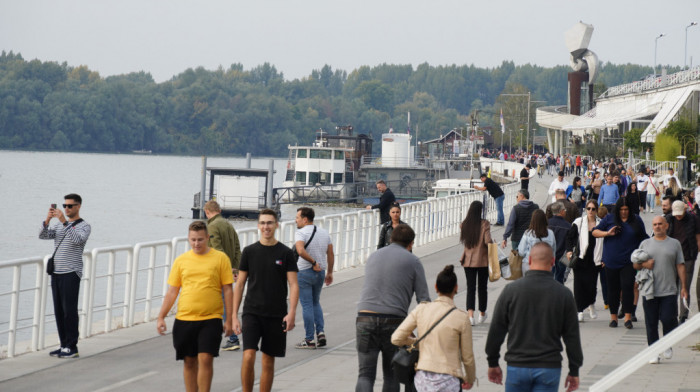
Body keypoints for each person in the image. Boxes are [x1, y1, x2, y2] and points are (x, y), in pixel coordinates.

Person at [486, 242, 582, 392]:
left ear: (529, 261)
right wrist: (574, 370)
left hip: (517, 366)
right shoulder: (563, 294)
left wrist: (493, 362)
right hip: (549, 367)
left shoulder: (511, 291)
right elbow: (572, 336)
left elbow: (496, 330)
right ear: (552, 261)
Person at [156, 221, 234, 392]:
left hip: (211, 318)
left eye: (200, 239)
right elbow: (172, 291)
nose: (196, 244)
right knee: (189, 361)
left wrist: (230, 319)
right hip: (185, 318)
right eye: (193, 240)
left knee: (206, 358)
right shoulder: (181, 261)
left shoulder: (220, 258)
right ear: (189, 239)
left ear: (207, 237)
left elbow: (228, 290)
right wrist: (161, 316)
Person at [355, 224, 431, 392]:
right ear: (411, 244)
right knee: (391, 374)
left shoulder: (373, 256)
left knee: (365, 374)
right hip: (394, 321)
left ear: (391, 239)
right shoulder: (413, 261)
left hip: (364, 318)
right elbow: (424, 301)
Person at [232, 209, 299, 392]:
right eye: (262, 223)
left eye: (269, 223)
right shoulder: (249, 251)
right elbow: (239, 285)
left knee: (268, 362)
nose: (266, 227)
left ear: (276, 225)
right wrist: (233, 316)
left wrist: (291, 312)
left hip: (276, 314)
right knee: (248, 356)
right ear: (258, 226)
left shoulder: (286, 253)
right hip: (252, 312)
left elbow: (293, 284)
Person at [391, 265, 476, 391]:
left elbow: (396, 338)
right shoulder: (461, 318)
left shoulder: (421, 309)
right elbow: (467, 357)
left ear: (436, 287)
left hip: (423, 382)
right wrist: (470, 379)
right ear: (456, 288)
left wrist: (417, 342)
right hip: (449, 381)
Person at [40, 193, 91, 359]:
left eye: (70, 206)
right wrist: (47, 221)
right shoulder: (59, 225)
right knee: (59, 311)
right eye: (64, 206)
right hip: (56, 273)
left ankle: (72, 346)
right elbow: (42, 235)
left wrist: (63, 221)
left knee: (70, 311)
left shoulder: (84, 226)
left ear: (78, 206)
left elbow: (77, 240)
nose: (66, 209)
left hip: (71, 273)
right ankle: (63, 345)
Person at [635, 216, 688, 364]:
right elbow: (635, 265)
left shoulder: (675, 244)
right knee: (651, 322)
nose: (657, 226)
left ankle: (667, 344)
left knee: (668, 319)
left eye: (660, 224)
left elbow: (681, 265)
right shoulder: (645, 244)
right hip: (649, 290)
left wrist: (684, 287)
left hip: (669, 290)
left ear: (666, 226)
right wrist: (644, 264)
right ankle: (653, 351)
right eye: (654, 224)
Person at [593, 196, 648, 329]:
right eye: (622, 209)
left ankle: (628, 317)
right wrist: (607, 233)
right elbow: (594, 232)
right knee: (613, 290)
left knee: (628, 287)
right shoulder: (609, 219)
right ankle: (613, 318)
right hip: (611, 260)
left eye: (626, 209)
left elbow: (644, 237)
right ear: (618, 209)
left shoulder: (636, 219)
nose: (624, 212)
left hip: (629, 261)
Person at [203, 200, 242, 352]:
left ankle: (231, 337)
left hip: (217, 272)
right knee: (224, 303)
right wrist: (236, 269)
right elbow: (238, 248)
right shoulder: (228, 224)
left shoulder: (212, 226)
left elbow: (217, 250)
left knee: (218, 304)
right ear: (219, 210)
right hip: (228, 270)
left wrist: (227, 269)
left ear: (207, 212)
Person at [294, 207, 334, 349]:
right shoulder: (324, 232)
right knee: (316, 302)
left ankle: (309, 339)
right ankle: (321, 333)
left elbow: (300, 250)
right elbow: (330, 253)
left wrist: (313, 262)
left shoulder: (300, 233)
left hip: (304, 271)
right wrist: (329, 272)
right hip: (320, 272)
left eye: (297, 217)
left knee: (307, 305)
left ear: (305, 219)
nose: (295, 220)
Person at [567, 200, 604, 322]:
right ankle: (579, 311)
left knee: (592, 286)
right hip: (580, 258)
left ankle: (591, 304)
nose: (591, 211)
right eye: (589, 208)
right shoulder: (579, 222)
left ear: (597, 210)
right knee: (578, 285)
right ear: (585, 209)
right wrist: (569, 251)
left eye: (593, 209)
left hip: (595, 259)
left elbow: (606, 242)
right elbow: (570, 237)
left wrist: (605, 258)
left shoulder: (601, 224)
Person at [665, 200, 700, 324]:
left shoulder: (693, 219)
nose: (678, 216)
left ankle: (683, 315)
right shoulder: (669, 219)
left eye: (680, 213)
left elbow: (698, 237)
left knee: (684, 286)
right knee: (671, 287)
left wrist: (696, 253)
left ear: (685, 210)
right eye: (676, 214)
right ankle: (671, 313)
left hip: (688, 257)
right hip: (671, 258)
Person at [459, 200, 492, 325]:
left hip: (468, 260)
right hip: (482, 260)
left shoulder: (464, 225)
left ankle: (470, 316)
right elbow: (487, 241)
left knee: (470, 288)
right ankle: (482, 313)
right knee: (482, 287)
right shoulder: (485, 224)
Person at [518, 209, 556, 275]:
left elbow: (521, 252)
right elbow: (553, 249)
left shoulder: (528, 233)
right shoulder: (550, 233)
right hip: (546, 264)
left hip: (529, 264)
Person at [548, 202, 571, 283]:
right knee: (560, 280)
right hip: (562, 257)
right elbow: (570, 244)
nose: (565, 211)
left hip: (548, 257)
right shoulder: (568, 226)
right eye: (564, 210)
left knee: (548, 280)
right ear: (561, 211)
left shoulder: (547, 223)